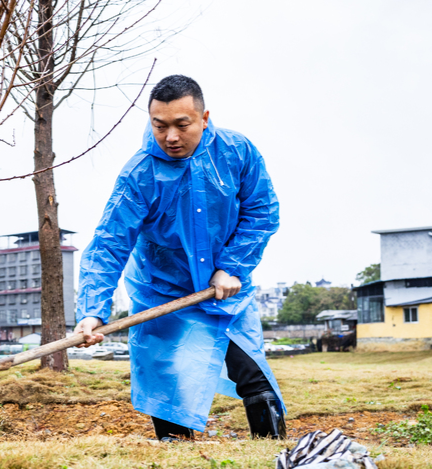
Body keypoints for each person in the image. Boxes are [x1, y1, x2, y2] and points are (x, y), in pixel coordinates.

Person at [74, 75, 285, 441]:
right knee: (167, 382)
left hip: (225, 291)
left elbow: (261, 212)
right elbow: (109, 244)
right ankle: (177, 455)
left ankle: (272, 452)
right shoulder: (139, 174)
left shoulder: (237, 152)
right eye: (160, 126)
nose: (170, 136)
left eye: (181, 125)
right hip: (164, 293)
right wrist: (92, 310)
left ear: (204, 117)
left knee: (252, 373)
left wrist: (230, 267)